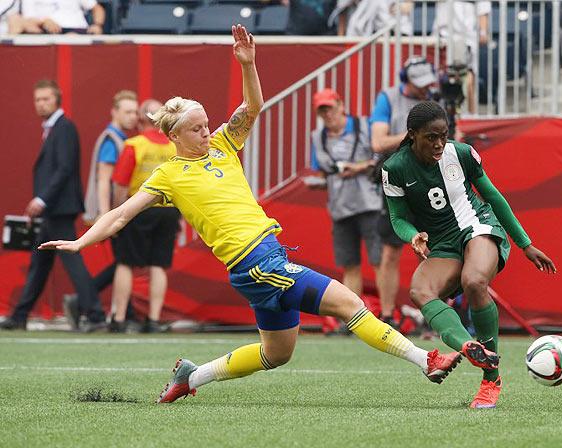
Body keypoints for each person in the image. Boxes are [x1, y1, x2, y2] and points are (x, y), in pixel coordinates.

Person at [39, 25, 472, 403]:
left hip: (263, 258)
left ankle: (192, 376)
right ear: (174, 135)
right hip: (256, 261)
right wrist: (80, 241)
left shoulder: (224, 146)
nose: (208, 132)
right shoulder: (168, 175)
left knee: (276, 354)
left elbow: (253, 108)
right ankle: (426, 359)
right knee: (349, 302)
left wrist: (248, 64)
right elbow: (119, 215)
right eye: (197, 128)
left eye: (208, 124)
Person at [381, 101, 556, 409]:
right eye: (430, 137)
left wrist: (525, 244)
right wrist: (414, 236)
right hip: (443, 244)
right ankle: (467, 345)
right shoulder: (394, 168)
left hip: (478, 226)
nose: (438, 143)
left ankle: (491, 379)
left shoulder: (460, 154)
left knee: (474, 281)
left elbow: (493, 197)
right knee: (419, 290)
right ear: (412, 135)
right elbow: (397, 218)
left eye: (443, 135)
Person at [0, 79, 106, 332]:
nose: (41, 103)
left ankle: (95, 315)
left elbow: (65, 168)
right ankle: (20, 314)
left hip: (59, 207)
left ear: (57, 99)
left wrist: (41, 199)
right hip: (54, 209)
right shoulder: (54, 128)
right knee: (40, 263)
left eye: (46, 98)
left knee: (72, 260)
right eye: (37, 99)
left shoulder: (64, 127)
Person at [370, 56, 438, 326]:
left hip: (426, 178)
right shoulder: (387, 98)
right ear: (405, 80)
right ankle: (388, 316)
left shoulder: (434, 99)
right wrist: (415, 137)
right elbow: (378, 141)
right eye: (419, 84)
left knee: (435, 246)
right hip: (395, 177)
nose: (424, 89)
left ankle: (432, 313)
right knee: (390, 250)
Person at [63, 89, 139, 330]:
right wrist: (107, 216)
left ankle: (91, 303)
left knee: (124, 261)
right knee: (125, 261)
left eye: (135, 112)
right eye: (127, 112)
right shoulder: (112, 139)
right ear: (114, 112)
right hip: (114, 212)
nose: (132, 117)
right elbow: (103, 179)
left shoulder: (119, 138)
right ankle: (84, 302)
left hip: (117, 211)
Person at [109, 98, 179, 333]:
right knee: (158, 265)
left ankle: (118, 318)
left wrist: (117, 215)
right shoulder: (174, 146)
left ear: (140, 120)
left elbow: (120, 184)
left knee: (126, 263)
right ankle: (154, 319)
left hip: (138, 209)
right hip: (168, 210)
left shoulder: (134, 144)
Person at [310, 88, 382, 315]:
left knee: (380, 262)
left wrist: (359, 167)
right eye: (322, 111)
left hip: (370, 204)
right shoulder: (318, 137)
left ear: (341, 105)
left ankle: (387, 315)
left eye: (329, 108)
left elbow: (381, 158)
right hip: (340, 209)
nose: (327, 115)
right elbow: (323, 172)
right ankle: (354, 318)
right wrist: (317, 182)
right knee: (350, 265)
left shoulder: (364, 125)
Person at [432, 1, 491, 113]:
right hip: (441, 36)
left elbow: (483, 8)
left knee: (467, 78)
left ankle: (470, 116)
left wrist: (483, 31)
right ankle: (443, 115)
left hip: (464, 37)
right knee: (441, 78)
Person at [10, 0, 105, 34]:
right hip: (44, 32)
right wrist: (43, 22)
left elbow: (97, 9)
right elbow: (28, 18)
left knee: (72, 37)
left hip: (76, 30)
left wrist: (97, 25)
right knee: (15, 22)